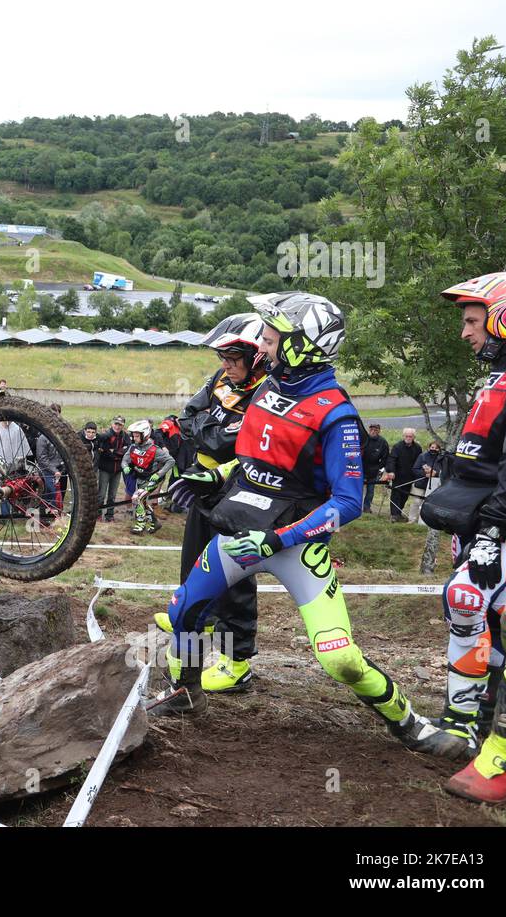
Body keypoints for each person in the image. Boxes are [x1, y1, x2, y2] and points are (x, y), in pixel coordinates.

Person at [152, 292, 454, 758]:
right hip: (241, 532)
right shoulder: (268, 388)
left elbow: (349, 503)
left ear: (302, 345)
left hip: (295, 546)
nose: (263, 349)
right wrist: (210, 476)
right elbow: (255, 464)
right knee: (182, 613)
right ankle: (185, 691)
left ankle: (410, 724)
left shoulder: (336, 414)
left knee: (340, 660)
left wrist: (278, 538)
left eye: (271, 340)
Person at [418, 272, 506, 787]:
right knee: (477, 606)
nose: (465, 333)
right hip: (487, 516)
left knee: (480, 602)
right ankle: (471, 717)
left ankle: (489, 734)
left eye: (472, 321)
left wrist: (495, 526)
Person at [167, 312, 270, 692]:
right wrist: (208, 428)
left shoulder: (269, 390)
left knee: (234, 577)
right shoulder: (221, 379)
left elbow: (221, 441)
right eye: (221, 358)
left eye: (232, 358)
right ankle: (191, 631)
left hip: (241, 490)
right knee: (193, 562)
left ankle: (237, 661)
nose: (225, 366)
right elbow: (188, 416)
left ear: (255, 356)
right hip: (202, 483)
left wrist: (205, 429)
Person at [121, 419, 173, 534]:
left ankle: (140, 525)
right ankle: (155, 523)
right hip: (140, 479)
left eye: (136, 436)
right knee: (142, 502)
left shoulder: (155, 450)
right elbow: (125, 459)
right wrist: (125, 466)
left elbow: (170, 461)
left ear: (144, 435)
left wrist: (159, 473)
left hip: (152, 479)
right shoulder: (133, 447)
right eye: (133, 436)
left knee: (137, 498)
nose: (134, 438)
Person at [384, 427, 421, 523]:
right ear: (403, 436)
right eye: (407, 436)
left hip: (410, 477)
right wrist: (391, 471)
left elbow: (420, 461)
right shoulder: (397, 447)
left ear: (413, 437)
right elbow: (391, 459)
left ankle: (398, 513)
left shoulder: (417, 448)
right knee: (396, 495)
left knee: (404, 496)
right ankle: (394, 515)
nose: (408, 438)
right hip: (398, 475)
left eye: (410, 436)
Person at [96, 416, 129, 522]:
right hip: (105, 469)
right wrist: (117, 452)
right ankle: (98, 514)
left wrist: (114, 451)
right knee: (101, 494)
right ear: (112, 424)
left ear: (123, 426)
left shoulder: (125, 436)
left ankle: (110, 515)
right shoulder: (106, 435)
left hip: (117, 470)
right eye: (116, 424)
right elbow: (104, 451)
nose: (117, 426)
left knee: (112, 495)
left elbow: (128, 449)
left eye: (120, 425)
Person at [412, 439, 444, 525]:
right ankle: (412, 519)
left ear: (439, 449)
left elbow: (444, 472)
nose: (434, 449)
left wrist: (435, 473)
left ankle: (424, 522)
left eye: (436, 448)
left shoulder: (441, 459)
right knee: (416, 502)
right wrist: (424, 474)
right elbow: (415, 469)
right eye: (432, 447)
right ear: (429, 447)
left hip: (433, 485)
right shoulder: (422, 456)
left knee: (428, 505)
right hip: (420, 483)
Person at [361, 423, 389, 513]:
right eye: (371, 429)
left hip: (373, 470)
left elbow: (385, 458)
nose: (373, 431)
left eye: (375, 430)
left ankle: (367, 507)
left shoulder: (383, 442)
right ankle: (357, 507)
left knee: (370, 491)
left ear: (379, 431)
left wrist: (378, 468)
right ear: (369, 430)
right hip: (360, 469)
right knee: (359, 490)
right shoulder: (364, 439)